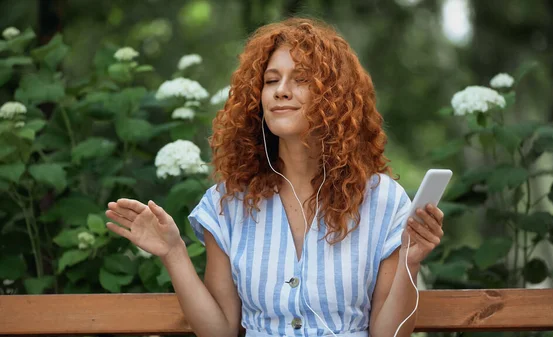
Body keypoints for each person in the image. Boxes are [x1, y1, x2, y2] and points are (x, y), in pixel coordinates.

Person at [105, 17, 444, 337]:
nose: (281, 91)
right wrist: (173, 252)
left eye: (301, 79)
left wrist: (409, 263)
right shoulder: (229, 203)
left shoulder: (382, 200)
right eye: (271, 80)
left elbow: (388, 334)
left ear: (335, 99)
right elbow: (220, 330)